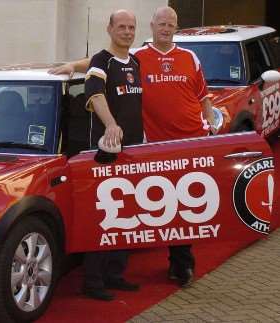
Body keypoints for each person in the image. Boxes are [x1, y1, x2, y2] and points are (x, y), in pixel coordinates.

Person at [49, 6, 230, 288]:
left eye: (171, 24)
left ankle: (181, 266)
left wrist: (210, 121)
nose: (166, 28)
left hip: (190, 144)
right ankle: (112, 273)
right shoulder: (139, 58)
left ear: (176, 27)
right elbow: (102, 62)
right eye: (161, 24)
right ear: (152, 26)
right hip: (153, 148)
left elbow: (202, 94)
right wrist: (73, 65)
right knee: (156, 206)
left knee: (188, 208)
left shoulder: (189, 58)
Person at [81, 9, 143, 301]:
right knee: (104, 216)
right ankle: (92, 281)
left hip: (133, 151)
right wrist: (111, 125)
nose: (127, 32)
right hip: (106, 152)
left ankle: (115, 274)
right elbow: (94, 93)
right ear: (109, 29)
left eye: (131, 27)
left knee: (126, 213)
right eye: (122, 26)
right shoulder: (100, 61)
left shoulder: (135, 61)